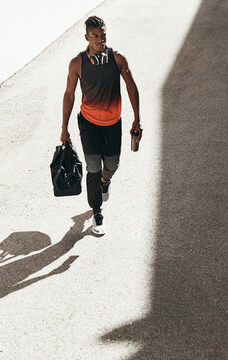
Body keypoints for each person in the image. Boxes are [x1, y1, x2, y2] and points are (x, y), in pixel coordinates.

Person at [61, 15, 142, 235]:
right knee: (93, 167)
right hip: (88, 123)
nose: (100, 39)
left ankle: (105, 181)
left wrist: (137, 118)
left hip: (113, 123)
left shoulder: (118, 59)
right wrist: (64, 128)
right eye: (95, 36)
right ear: (86, 37)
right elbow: (69, 94)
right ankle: (97, 212)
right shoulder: (77, 63)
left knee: (112, 165)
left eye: (103, 35)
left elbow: (131, 87)